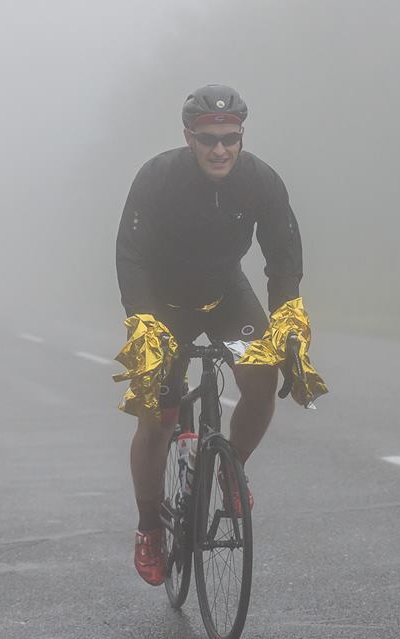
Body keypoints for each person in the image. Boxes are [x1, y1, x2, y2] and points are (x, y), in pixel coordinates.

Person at [115, 85, 305, 585]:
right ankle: (149, 526)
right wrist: (143, 322)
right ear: (189, 137)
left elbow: (283, 260)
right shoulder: (158, 177)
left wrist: (287, 321)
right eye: (208, 139)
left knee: (262, 381)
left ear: (241, 136)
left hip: (226, 298)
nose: (220, 149)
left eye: (230, 138)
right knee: (154, 417)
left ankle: (229, 465)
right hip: (164, 305)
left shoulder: (261, 181)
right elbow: (130, 256)